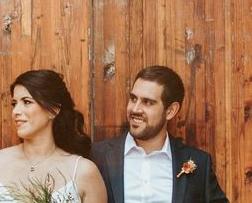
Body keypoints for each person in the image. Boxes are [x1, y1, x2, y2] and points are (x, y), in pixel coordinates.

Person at [92, 66, 228, 203]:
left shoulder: (199, 163)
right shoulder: (97, 156)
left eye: (147, 102)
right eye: (133, 99)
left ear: (170, 111)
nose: (135, 109)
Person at [0, 69, 107, 203]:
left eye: (27, 102)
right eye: (14, 104)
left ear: (53, 110)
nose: (15, 111)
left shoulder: (84, 171)